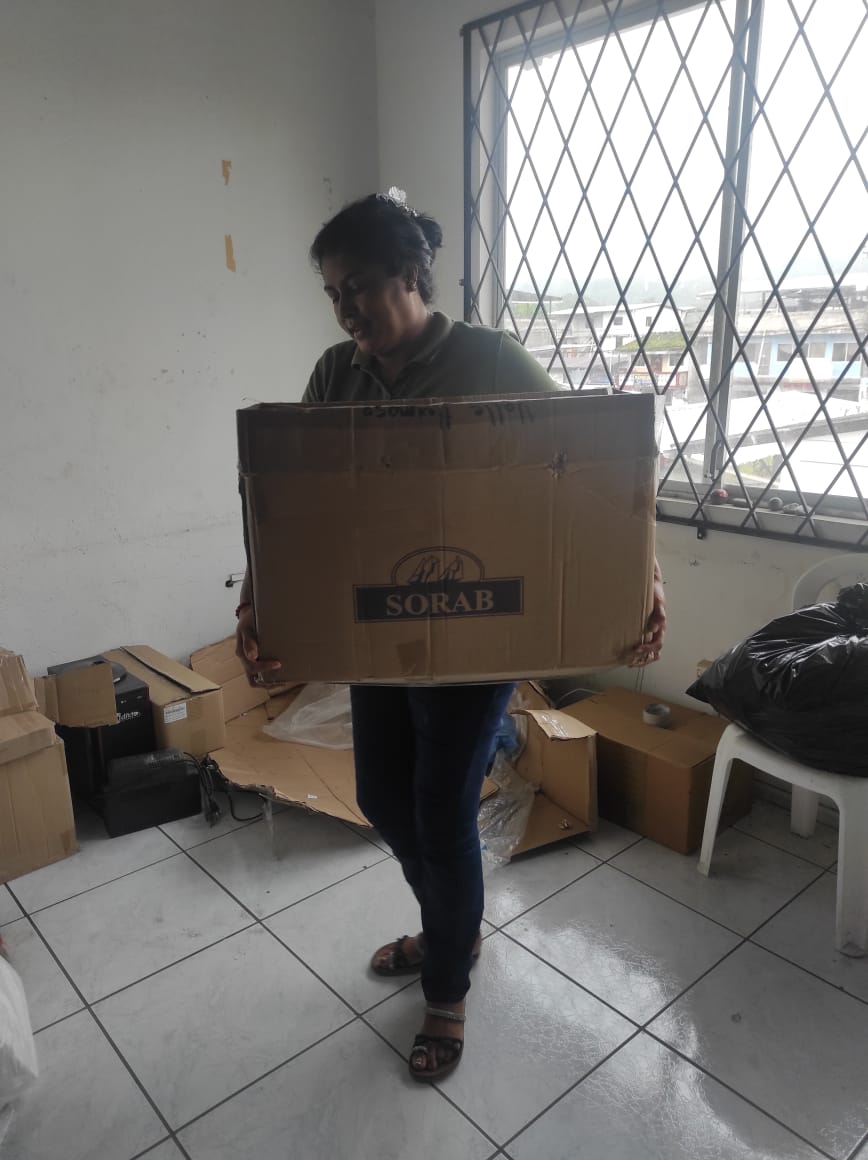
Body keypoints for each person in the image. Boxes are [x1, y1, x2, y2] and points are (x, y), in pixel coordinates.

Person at [235, 192, 666, 1082]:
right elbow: (290, 512)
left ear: (408, 273)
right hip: (382, 634)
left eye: (358, 286)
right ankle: (450, 929)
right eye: (332, 294)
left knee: (440, 811)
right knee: (383, 798)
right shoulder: (335, 375)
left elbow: (593, 467)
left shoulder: (490, 359)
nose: (346, 310)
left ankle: (447, 990)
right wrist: (256, 605)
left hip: (475, 635)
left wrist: (645, 577)